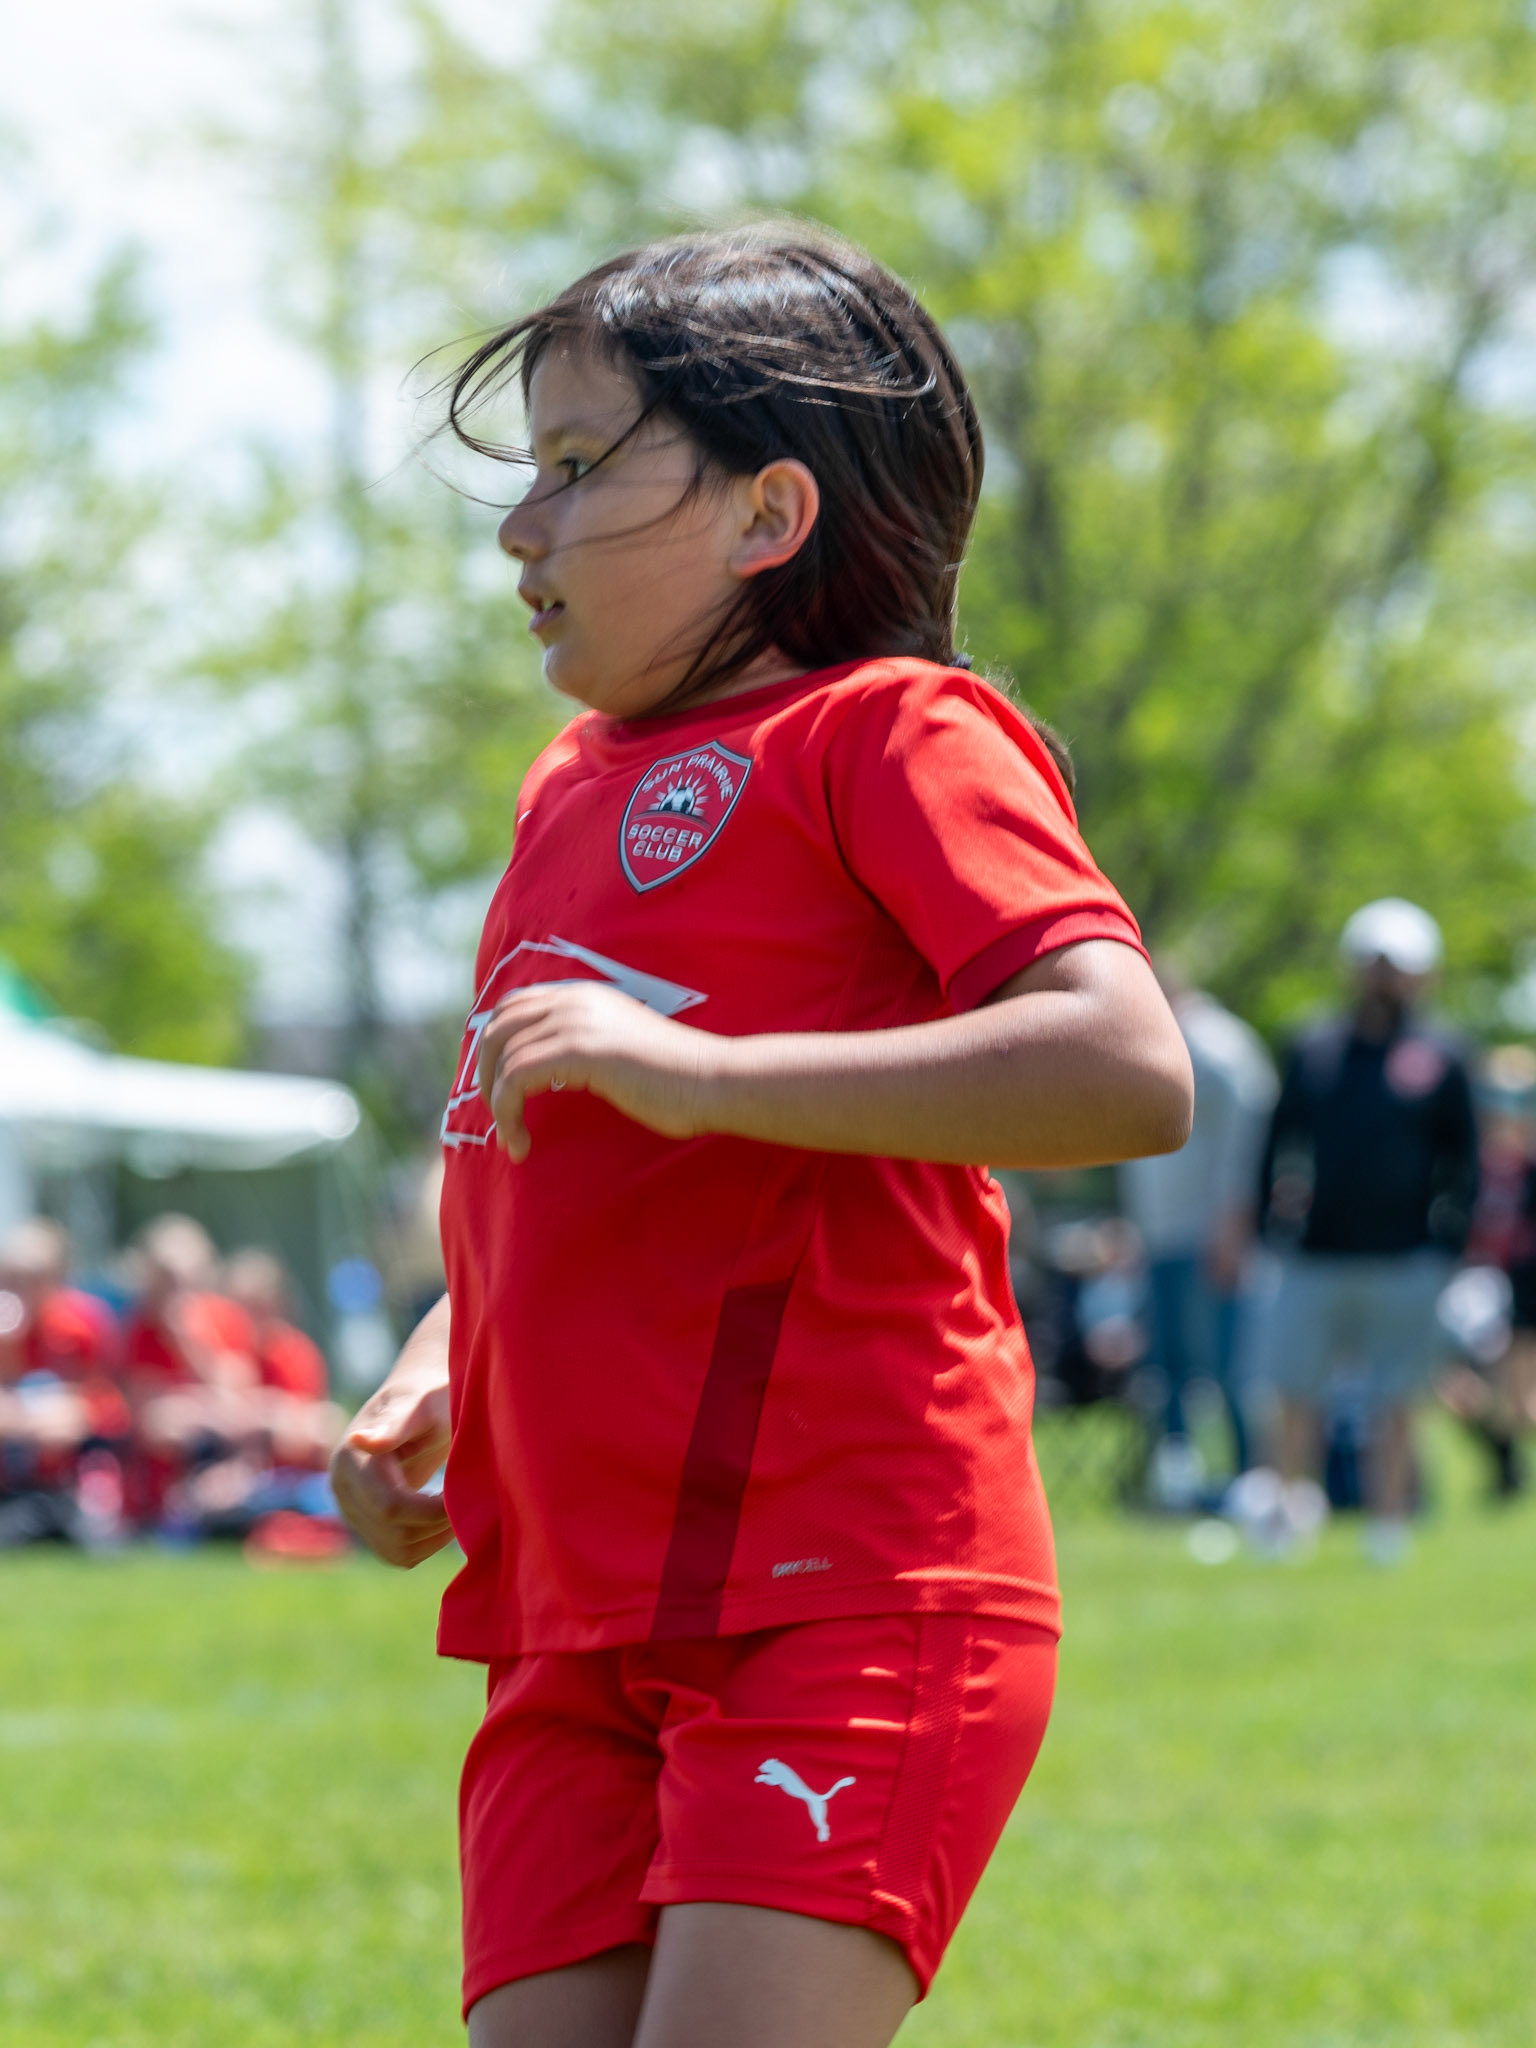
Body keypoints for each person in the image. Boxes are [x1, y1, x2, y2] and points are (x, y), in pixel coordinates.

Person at [331, 225, 1193, 2048]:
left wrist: (708, 1072)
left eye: (575, 471)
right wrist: (437, 1366)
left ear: (767, 514)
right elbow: (542, 1151)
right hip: (571, 1617)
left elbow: (1120, 1061)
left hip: (847, 1586)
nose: (519, 531)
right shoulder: (565, 788)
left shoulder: (892, 733)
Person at [1252, 899, 1479, 1562]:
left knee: (1396, 1399)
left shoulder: (1443, 1053)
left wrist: (1449, 1243)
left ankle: (1388, 1524)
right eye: (1374, 965)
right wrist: (1269, 1222)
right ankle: (1287, 1521)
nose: (1383, 979)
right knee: (1295, 1392)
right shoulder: (1314, 1045)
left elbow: (1463, 1161)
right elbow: (1276, 1142)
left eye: (1396, 968)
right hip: (1316, 1252)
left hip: (1406, 1257)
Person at [1119, 965, 1278, 1498]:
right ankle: (1179, 1481)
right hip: (1161, 1235)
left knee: (1229, 1365)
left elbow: (1250, 1145)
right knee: (1167, 1365)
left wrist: (1233, 1227)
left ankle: (1250, 1478)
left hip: (1209, 1235)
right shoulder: (1147, 1039)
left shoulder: (1219, 1045)